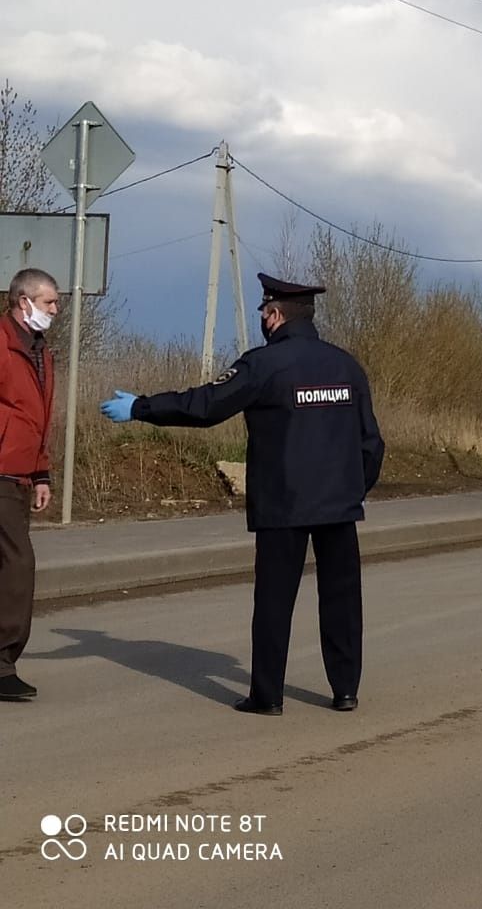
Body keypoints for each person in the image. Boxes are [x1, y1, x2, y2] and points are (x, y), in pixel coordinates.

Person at [100, 273, 384, 716]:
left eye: (264, 314)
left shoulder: (265, 366)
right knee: (342, 601)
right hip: (338, 506)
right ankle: (345, 690)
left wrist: (141, 407)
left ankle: (268, 697)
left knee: (274, 601)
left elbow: (206, 405)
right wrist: (353, 488)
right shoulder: (347, 366)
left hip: (282, 506)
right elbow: (371, 442)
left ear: (273, 316)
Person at [0, 269, 59, 702]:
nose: (55, 311)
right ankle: (2, 664)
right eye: (50, 302)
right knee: (18, 565)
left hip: (20, 474)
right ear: (24, 302)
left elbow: (38, 418)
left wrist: (41, 474)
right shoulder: (3, 344)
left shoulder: (41, 353)